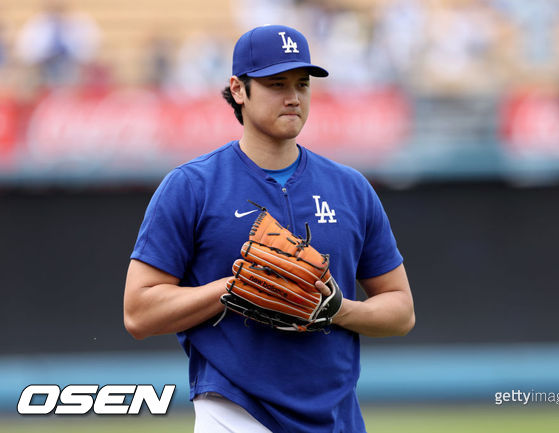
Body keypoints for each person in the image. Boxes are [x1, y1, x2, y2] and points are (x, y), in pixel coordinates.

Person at [124, 24, 415, 433]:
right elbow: (138, 312)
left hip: (338, 418)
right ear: (238, 89)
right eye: (276, 84)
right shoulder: (192, 186)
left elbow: (400, 310)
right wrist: (239, 286)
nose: (293, 97)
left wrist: (337, 309)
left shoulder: (351, 188)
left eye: (302, 83)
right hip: (235, 413)